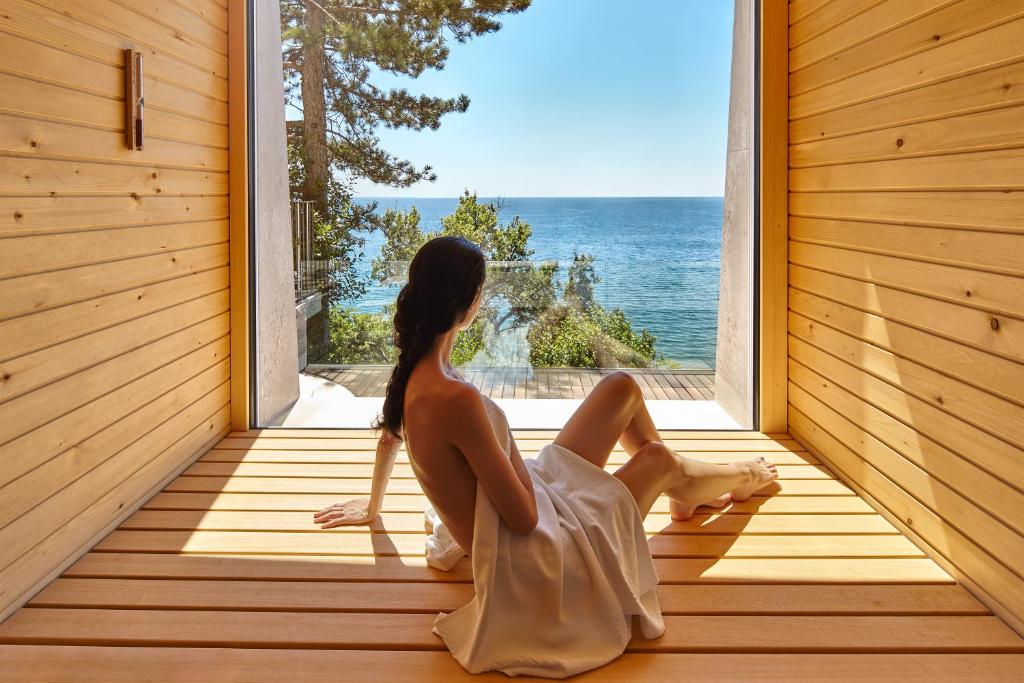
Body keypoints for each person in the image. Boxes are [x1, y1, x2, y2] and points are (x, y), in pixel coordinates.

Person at [312, 235, 779, 677]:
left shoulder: (415, 371)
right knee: (655, 457)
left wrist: (372, 507)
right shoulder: (456, 399)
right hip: (538, 558)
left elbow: (388, 438)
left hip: (526, 504)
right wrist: (507, 446)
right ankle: (741, 476)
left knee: (621, 387)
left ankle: (683, 495)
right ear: (469, 304)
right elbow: (522, 517)